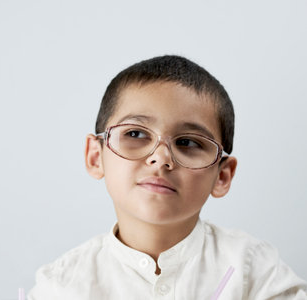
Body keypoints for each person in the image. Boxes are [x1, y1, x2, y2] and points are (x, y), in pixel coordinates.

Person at [27, 55, 307, 299]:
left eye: (188, 142)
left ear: (222, 176)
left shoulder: (254, 271)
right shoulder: (62, 286)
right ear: (95, 156)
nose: (161, 158)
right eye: (135, 134)